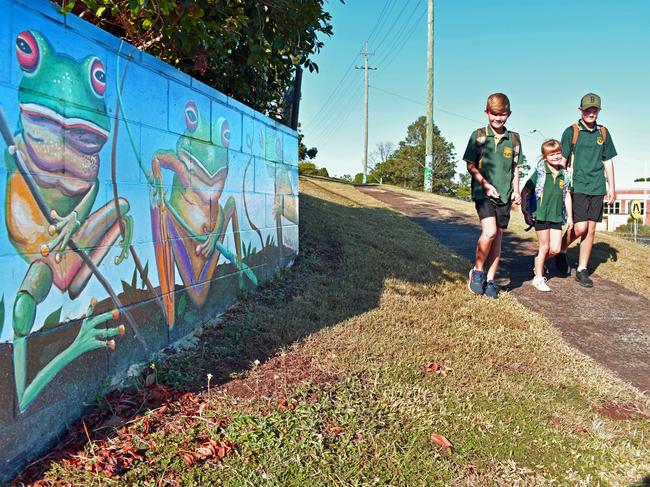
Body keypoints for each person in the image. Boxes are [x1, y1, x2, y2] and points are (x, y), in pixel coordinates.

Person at [554, 93, 617, 288]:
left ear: (598, 111)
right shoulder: (571, 132)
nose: (591, 113)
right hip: (578, 186)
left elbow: (607, 160)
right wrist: (559, 186)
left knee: (590, 229)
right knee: (579, 227)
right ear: (580, 110)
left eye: (595, 110)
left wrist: (612, 187)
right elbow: (562, 161)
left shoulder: (603, 133)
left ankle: (582, 269)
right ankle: (561, 250)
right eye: (588, 110)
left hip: (598, 187)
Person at [464, 93, 522, 298]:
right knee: (489, 232)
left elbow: (515, 167)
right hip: (483, 192)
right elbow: (470, 165)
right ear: (486, 113)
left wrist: (516, 190)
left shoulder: (513, 139)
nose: (498, 118)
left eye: (503, 114)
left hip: (505, 195)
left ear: (509, 114)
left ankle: (490, 279)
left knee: (498, 237)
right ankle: (477, 272)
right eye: (494, 114)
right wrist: (485, 184)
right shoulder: (479, 135)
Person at [521, 139, 573, 291]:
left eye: (558, 153)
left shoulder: (564, 175)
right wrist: (525, 211)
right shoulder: (540, 173)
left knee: (556, 249)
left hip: (557, 216)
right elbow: (526, 190)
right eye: (551, 155)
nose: (556, 157)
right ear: (545, 157)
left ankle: (538, 262)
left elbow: (566, 196)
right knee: (544, 247)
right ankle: (538, 278)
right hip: (541, 215)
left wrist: (570, 216)